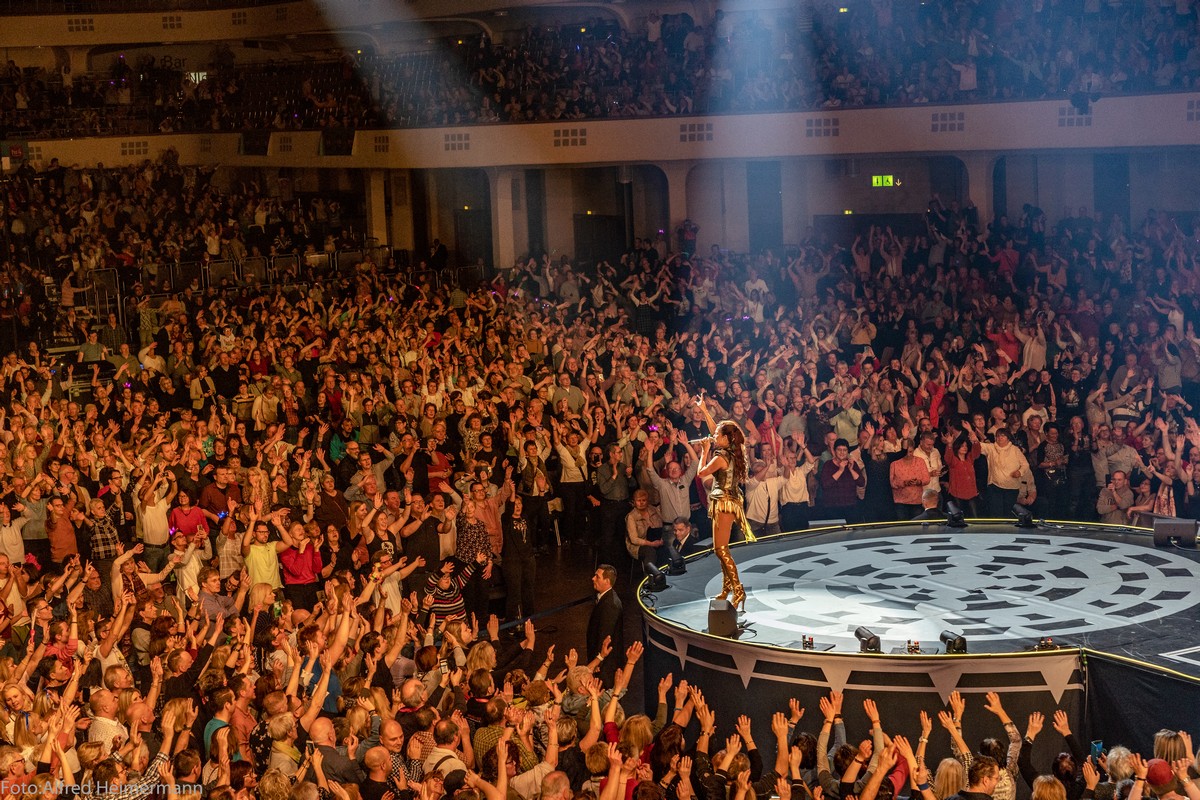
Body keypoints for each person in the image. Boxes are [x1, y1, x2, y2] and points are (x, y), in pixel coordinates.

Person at [693, 396, 754, 611]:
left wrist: (704, 450)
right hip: (727, 499)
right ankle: (727, 587)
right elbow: (715, 430)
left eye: (718, 435)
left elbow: (701, 473)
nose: (714, 436)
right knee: (721, 548)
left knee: (720, 549)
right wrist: (704, 410)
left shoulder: (720, 458)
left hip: (724, 502)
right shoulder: (732, 450)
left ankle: (738, 590)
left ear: (726, 438)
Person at [585, 565, 622, 685]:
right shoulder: (605, 598)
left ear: (607, 581)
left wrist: (598, 661)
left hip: (604, 667)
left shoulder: (610, 605)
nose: (593, 578)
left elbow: (605, 636)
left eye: (597, 577)